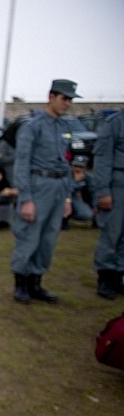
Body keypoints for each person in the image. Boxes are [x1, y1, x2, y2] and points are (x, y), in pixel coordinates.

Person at [10, 79, 80, 304]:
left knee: (48, 238)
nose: (67, 103)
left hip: (58, 187)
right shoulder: (33, 125)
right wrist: (26, 199)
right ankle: (21, 284)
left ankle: (36, 283)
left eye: (70, 99)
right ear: (51, 97)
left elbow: (66, 163)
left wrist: (68, 196)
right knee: (29, 236)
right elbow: (22, 163)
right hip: (38, 186)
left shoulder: (65, 127)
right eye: (64, 98)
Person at [92, 109, 124, 299]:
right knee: (111, 233)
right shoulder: (115, 122)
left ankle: (119, 275)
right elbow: (102, 158)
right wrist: (103, 191)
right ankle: (105, 277)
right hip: (117, 184)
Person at [64, 154, 94, 228]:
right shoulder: (66, 173)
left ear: (85, 167)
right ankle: (63, 219)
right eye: (76, 165)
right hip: (65, 197)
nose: (77, 168)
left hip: (75, 198)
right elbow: (67, 190)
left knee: (87, 215)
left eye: (80, 166)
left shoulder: (88, 176)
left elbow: (93, 190)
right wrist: (76, 181)